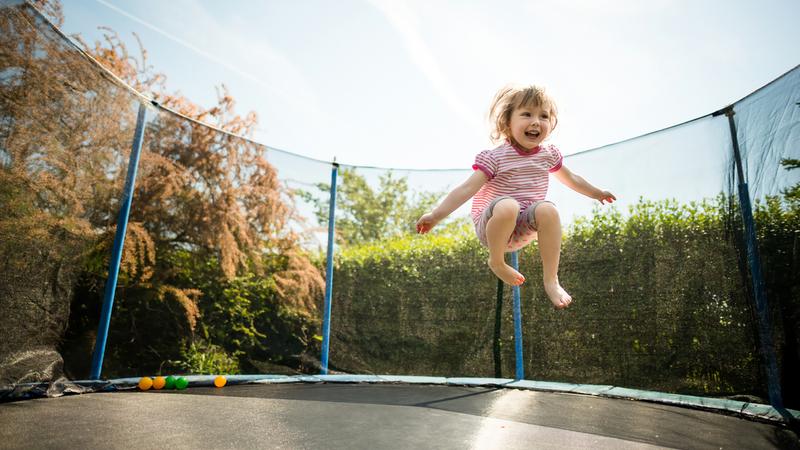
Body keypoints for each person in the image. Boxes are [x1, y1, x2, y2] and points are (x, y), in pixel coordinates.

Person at [415, 85, 616, 309]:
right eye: (527, 114)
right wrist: (435, 215)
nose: (536, 121)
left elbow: (572, 179)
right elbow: (466, 189)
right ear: (507, 122)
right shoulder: (495, 157)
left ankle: (551, 280)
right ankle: (497, 261)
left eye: (544, 116)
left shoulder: (548, 155)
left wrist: (596, 193)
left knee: (548, 209)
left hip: (522, 228)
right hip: (492, 226)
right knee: (508, 205)